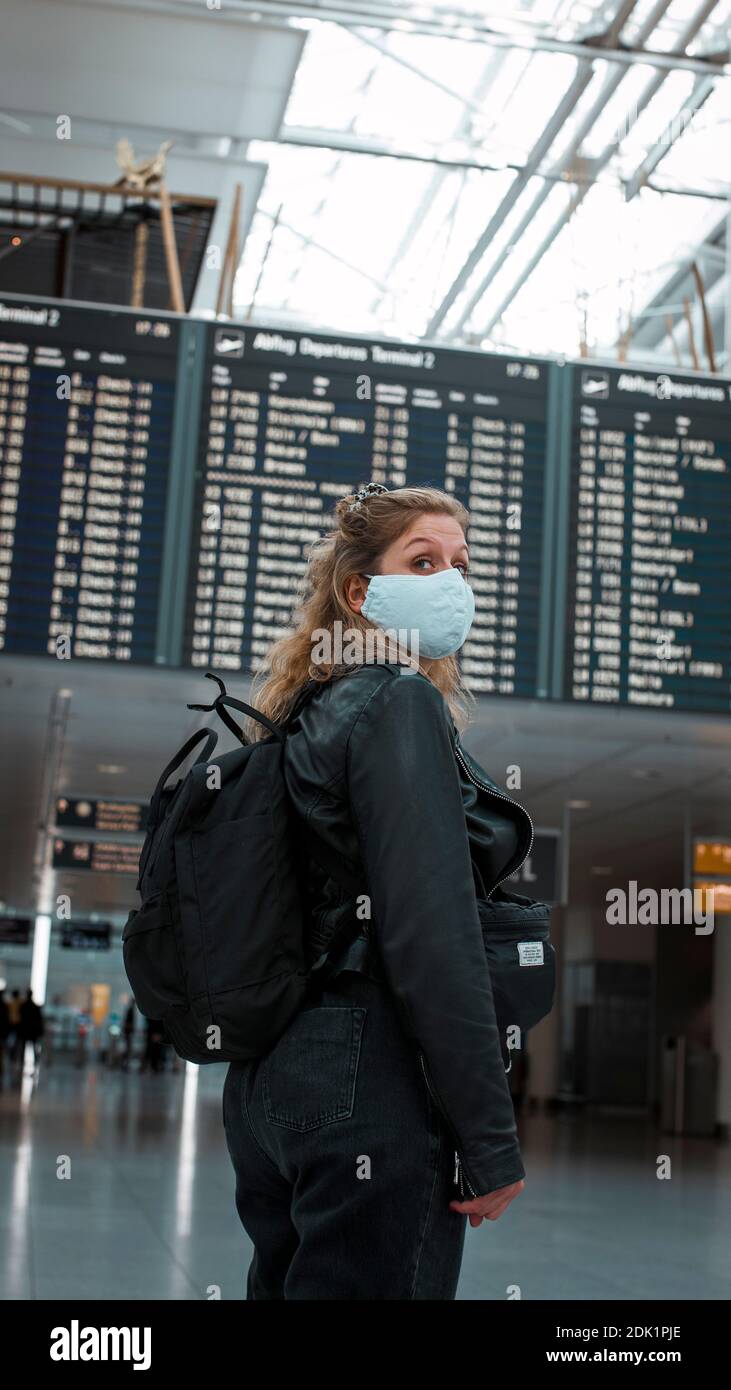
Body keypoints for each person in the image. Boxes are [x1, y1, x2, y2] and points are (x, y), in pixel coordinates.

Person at [222, 483, 534, 1300]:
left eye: (461, 566)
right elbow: (431, 934)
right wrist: (489, 1137)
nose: (450, 584)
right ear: (360, 592)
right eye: (423, 561)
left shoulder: (302, 714)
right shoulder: (398, 701)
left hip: (275, 1079)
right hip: (370, 1074)